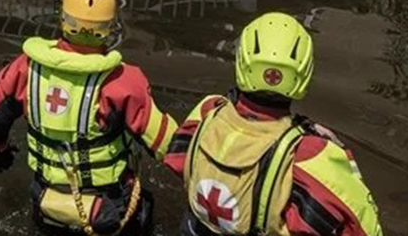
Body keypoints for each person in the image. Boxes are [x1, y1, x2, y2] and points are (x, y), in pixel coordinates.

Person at [0, 0, 177, 236]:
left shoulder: (25, 69)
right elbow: (168, 144)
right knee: (145, 205)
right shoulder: (123, 81)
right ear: (110, 27)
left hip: (46, 203)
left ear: (63, 18)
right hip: (107, 212)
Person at [163, 13, 383, 236]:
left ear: (242, 63)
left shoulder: (206, 112)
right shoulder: (310, 156)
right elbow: (366, 227)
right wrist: (339, 152)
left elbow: (175, 160)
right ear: (304, 74)